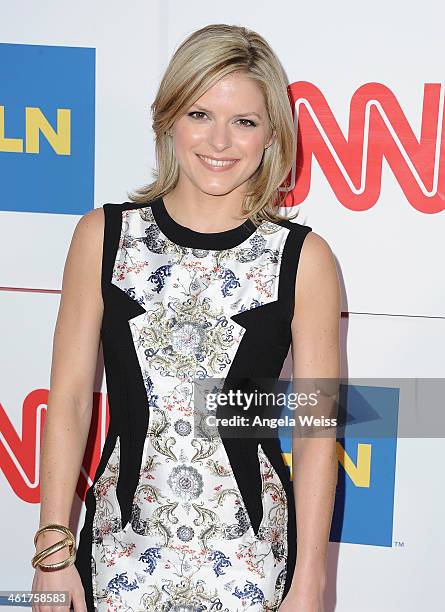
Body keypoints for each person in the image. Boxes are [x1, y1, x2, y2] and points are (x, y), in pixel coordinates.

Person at [31, 23, 340, 612]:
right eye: (200, 113)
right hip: (120, 554)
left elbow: (317, 429)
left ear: (272, 134)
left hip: (252, 562)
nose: (220, 141)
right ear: (169, 118)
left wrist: (309, 582)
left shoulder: (305, 259)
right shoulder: (104, 237)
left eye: (244, 121)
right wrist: (52, 551)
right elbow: (70, 398)